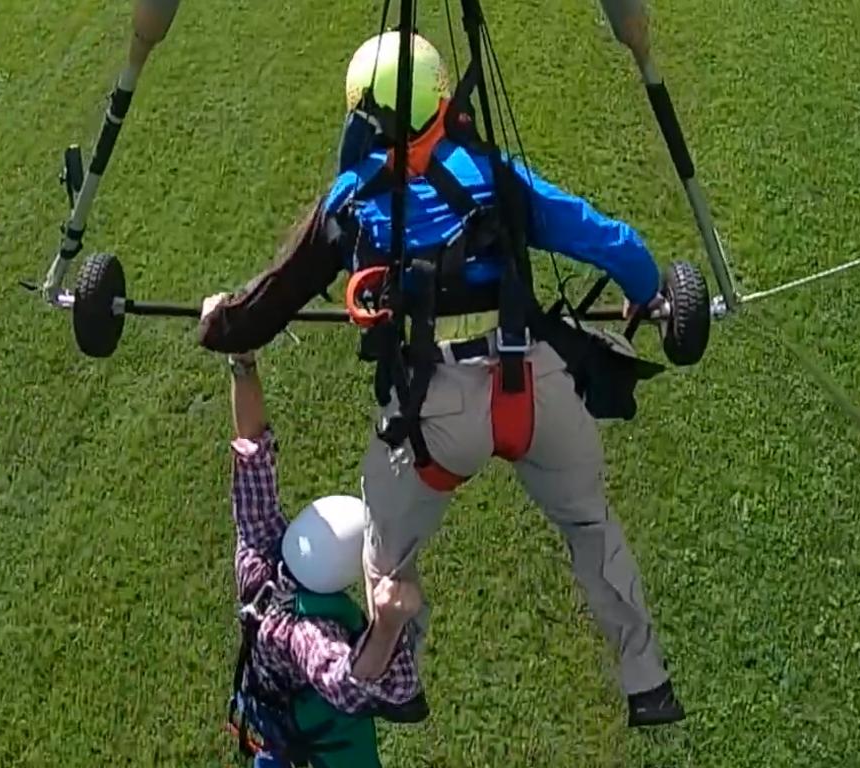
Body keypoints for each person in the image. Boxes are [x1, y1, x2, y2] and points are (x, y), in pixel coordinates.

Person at [198, 31, 685, 727]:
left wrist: (220, 325)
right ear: (436, 96)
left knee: (385, 552)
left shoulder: (352, 200)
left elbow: (271, 299)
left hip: (434, 412)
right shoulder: (491, 169)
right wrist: (648, 284)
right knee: (590, 525)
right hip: (533, 386)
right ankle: (648, 683)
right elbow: (599, 235)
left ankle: (397, 677)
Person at [210, 295, 429, 768]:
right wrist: (388, 623)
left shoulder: (259, 556)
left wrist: (241, 356)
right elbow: (348, 682)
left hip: (269, 729)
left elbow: (251, 447)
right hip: (312, 746)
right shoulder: (307, 633)